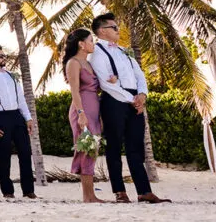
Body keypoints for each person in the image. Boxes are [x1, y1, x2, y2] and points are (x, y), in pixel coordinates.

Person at [89, 13, 170, 204]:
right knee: (114, 147)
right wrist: (132, 99)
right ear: (102, 31)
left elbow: (139, 74)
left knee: (136, 147)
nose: (118, 30)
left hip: (134, 100)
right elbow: (106, 83)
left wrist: (142, 95)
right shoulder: (97, 54)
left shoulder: (125, 51)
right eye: (114, 27)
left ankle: (144, 191)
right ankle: (120, 191)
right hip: (114, 101)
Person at [0, 45, 37, 200]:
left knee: (25, 152)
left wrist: (28, 118)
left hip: (17, 116)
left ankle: (28, 190)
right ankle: (7, 191)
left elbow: (21, 98)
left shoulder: (12, 76)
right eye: (0, 56)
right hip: (0, 117)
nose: (4, 58)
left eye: (4, 56)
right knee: (4, 156)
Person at [63, 29, 105, 204]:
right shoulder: (73, 63)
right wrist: (81, 114)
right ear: (81, 43)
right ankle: (88, 196)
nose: (92, 43)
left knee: (93, 150)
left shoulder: (89, 63)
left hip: (94, 109)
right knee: (86, 149)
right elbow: (74, 90)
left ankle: (90, 195)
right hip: (82, 110)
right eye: (90, 40)